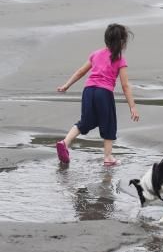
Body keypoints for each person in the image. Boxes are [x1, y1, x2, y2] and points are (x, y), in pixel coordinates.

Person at [56, 23, 139, 166]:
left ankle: (65, 142)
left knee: (86, 122)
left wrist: (66, 85)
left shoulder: (96, 54)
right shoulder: (120, 60)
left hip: (88, 91)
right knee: (108, 123)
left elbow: (81, 72)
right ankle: (108, 157)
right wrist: (132, 107)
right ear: (122, 42)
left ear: (106, 40)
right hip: (103, 93)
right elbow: (125, 86)